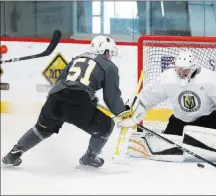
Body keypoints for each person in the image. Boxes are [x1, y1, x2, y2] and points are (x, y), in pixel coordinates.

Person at [2, 35, 133, 168]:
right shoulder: (109, 66)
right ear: (104, 51)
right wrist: (122, 112)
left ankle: (13, 154)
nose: (110, 56)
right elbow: (112, 98)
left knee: (41, 130)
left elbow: (62, 82)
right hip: (77, 103)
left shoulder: (76, 59)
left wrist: (90, 99)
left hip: (55, 98)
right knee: (106, 127)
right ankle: (89, 157)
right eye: (109, 52)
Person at [119, 50, 216, 163]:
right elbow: (148, 97)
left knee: (214, 143)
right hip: (180, 120)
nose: (181, 73)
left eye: (185, 70)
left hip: (207, 121)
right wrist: (133, 110)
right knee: (168, 144)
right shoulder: (167, 78)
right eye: (179, 70)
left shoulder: (208, 79)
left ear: (193, 68)